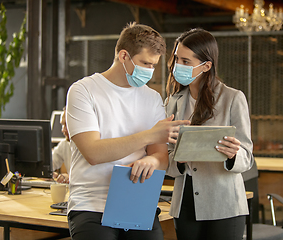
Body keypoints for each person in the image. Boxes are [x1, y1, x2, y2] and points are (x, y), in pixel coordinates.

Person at [65, 22, 190, 240]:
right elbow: (94, 153)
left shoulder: (151, 98)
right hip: (92, 205)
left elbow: (161, 156)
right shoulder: (83, 90)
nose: (149, 71)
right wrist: (150, 135)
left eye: (153, 65)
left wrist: (151, 162)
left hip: (137, 199)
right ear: (123, 56)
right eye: (144, 63)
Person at [165, 28, 254, 240]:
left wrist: (234, 154)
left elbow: (247, 158)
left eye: (186, 62)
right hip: (185, 202)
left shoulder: (232, 98)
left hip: (224, 202)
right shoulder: (172, 102)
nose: (178, 66)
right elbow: (166, 158)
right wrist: (178, 159)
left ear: (206, 66)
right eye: (177, 59)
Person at [52, 107, 71, 184]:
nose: (63, 130)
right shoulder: (65, 144)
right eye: (63, 125)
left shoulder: (90, 147)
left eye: (66, 125)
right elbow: (50, 163)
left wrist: (70, 177)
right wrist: (49, 173)